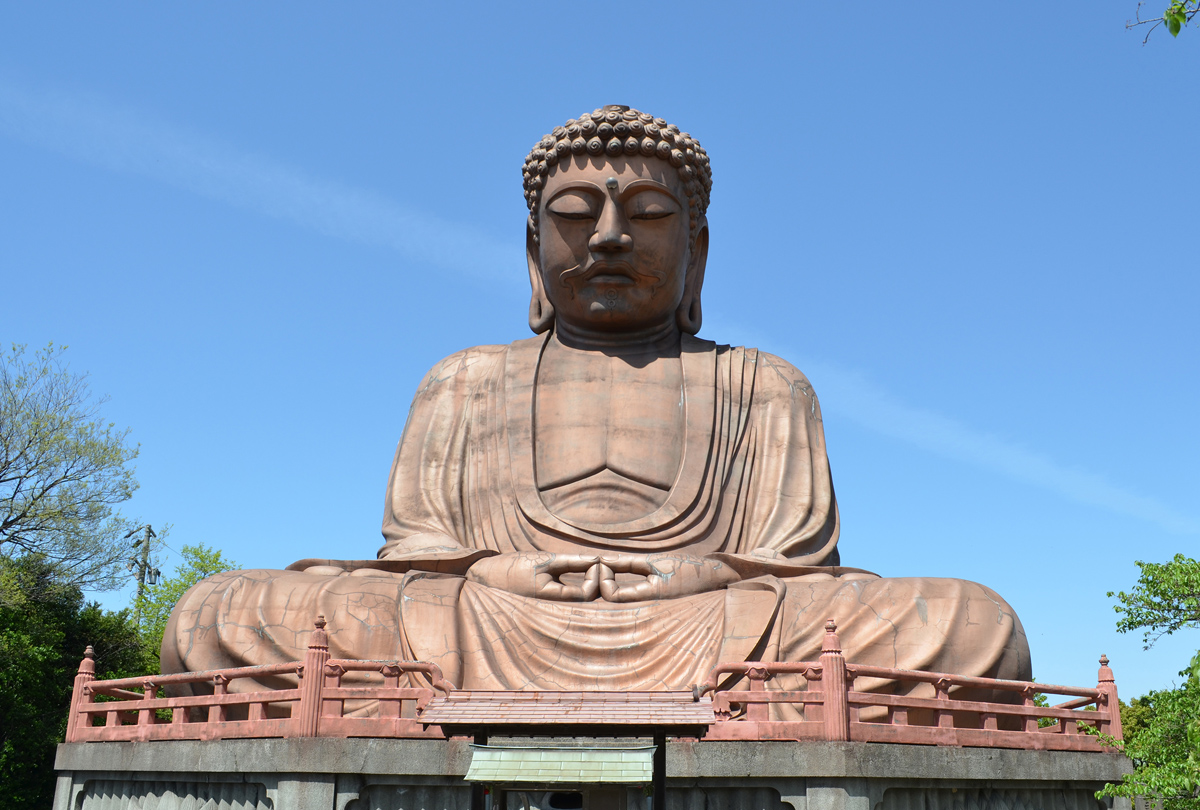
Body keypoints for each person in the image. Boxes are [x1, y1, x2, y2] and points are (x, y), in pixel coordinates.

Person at [161, 106, 1030, 709]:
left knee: (971, 619)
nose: (610, 234)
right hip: (493, 617)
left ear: (696, 247)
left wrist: (708, 574)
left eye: (648, 214)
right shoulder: (464, 378)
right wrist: (495, 574)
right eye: (575, 213)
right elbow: (416, 562)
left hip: (710, 620)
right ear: (533, 249)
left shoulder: (764, 384)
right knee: (220, 611)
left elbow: (795, 570)